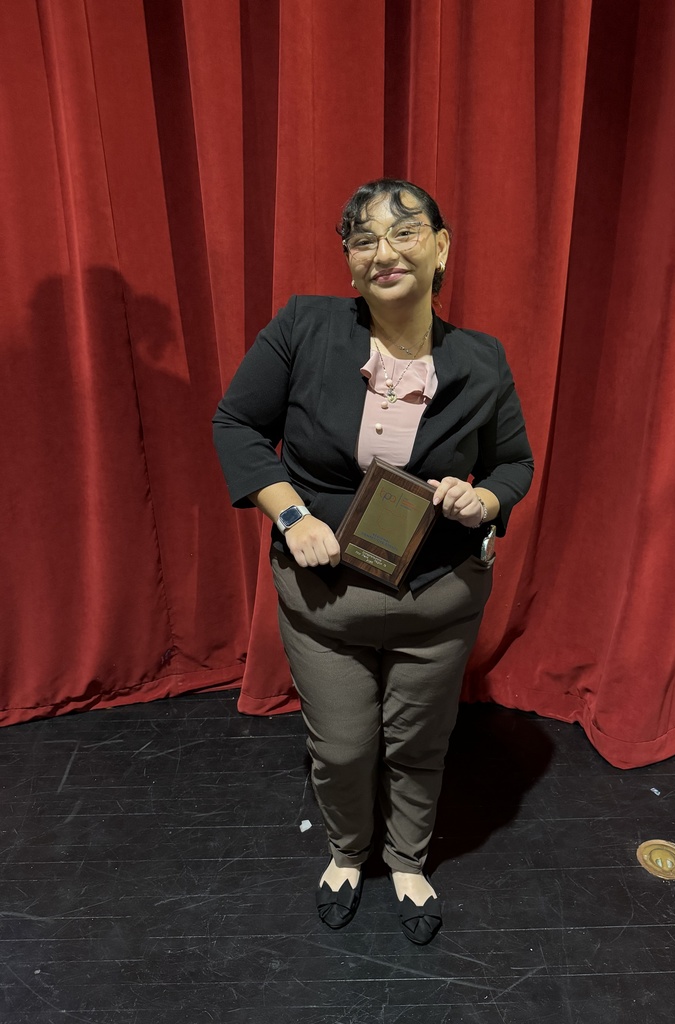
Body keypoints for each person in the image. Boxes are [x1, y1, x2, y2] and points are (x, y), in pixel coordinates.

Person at [212, 178, 533, 945]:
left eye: (404, 232)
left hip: (440, 598)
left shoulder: (482, 360)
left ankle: (410, 859)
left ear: (442, 247)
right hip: (325, 600)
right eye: (362, 239)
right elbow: (237, 426)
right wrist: (290, 514)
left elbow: (514, 464)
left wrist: (484, 501)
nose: (383, 251)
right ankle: (347, 853)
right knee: (347, 745)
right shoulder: (303, 327)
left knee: (420, 742)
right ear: (349, 263)